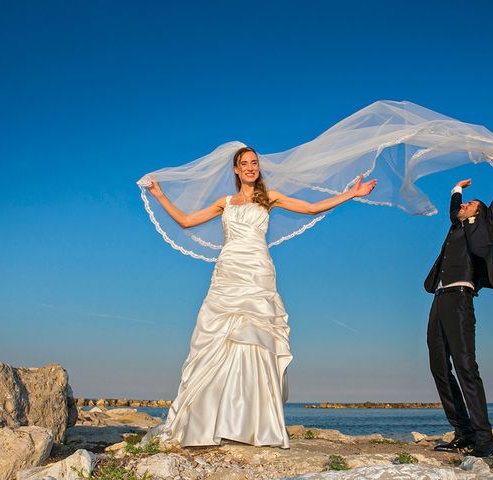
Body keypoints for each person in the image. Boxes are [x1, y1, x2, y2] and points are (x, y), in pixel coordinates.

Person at [145, 146, 376, 448]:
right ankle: (212, 420)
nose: (251, 167)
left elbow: (310, 208)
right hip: (229, 272)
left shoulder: (270, 198)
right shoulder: (224, 202)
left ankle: (253, 423)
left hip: (258, 272)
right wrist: (159, 194)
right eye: (245, 164)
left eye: (254, 163)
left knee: (256, 340)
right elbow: (187, 221)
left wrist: (351, 194)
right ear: (237, 170)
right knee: (217, 340)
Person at [424, 139, 493, 457]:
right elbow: (453, 210)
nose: (463, 207)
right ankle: (462, 432)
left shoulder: (486, 225)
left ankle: (484, 441)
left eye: (469, 204)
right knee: (437, 365)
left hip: (460, 299)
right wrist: (455, 189)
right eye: (463, 205)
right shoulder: (456, 226)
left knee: (465, 366)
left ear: (480, 211)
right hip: (439, 299)